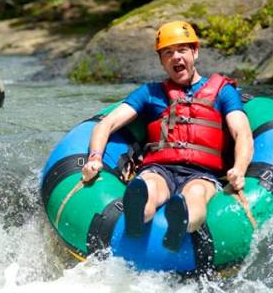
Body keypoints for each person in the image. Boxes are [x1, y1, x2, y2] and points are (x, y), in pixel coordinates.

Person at [80, 20, 254, 252]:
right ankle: (138, 215)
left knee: (196, 194)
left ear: (195, 51)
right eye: (168, 53)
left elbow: (242, 133)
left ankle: (180, 221)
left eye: (182, 50)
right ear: (162, 61)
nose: (176, 57)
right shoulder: (150, 93)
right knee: (149, 186)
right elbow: (107, 123)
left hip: (202, 173)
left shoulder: (223, 91)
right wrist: (94, 158)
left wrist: (239, 170)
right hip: (159, 168)